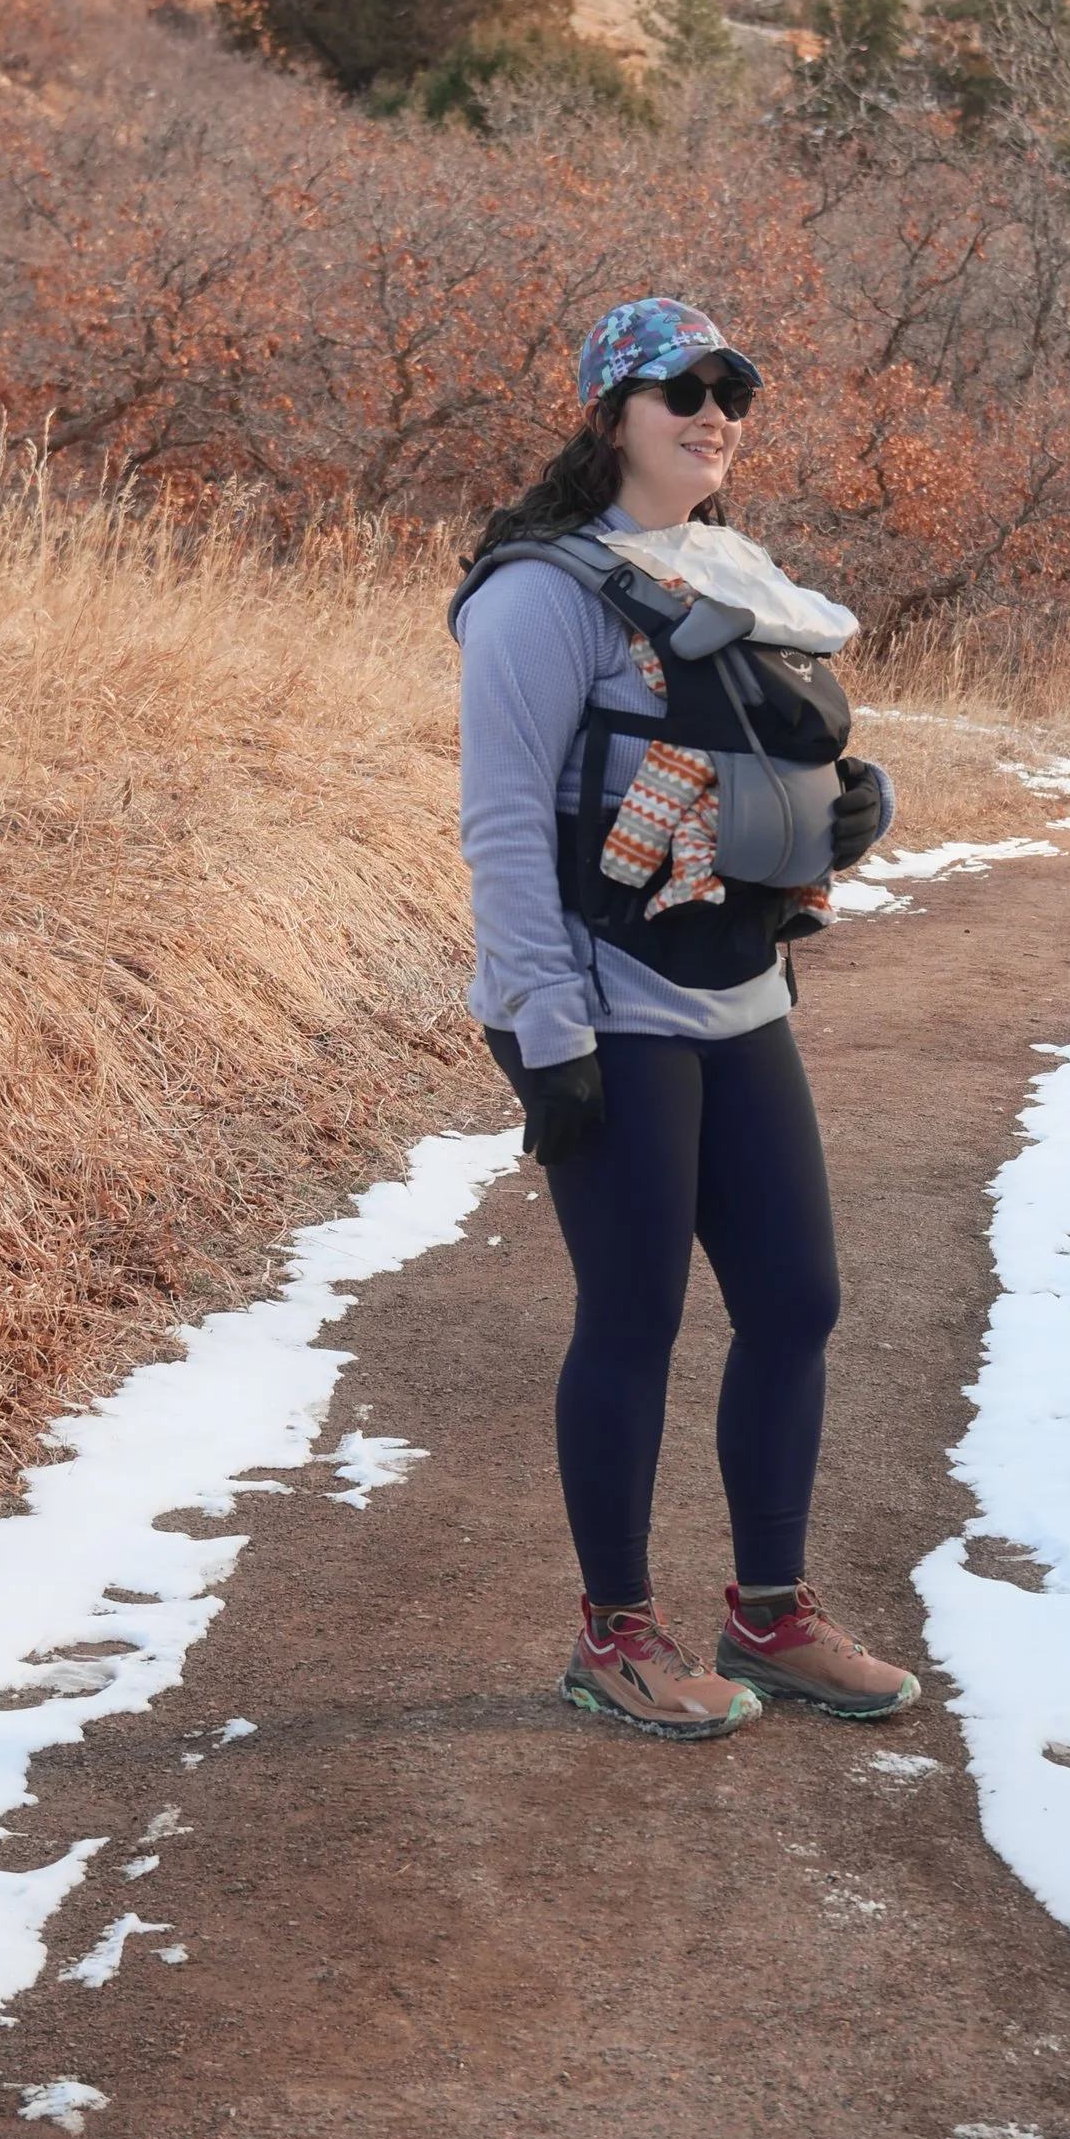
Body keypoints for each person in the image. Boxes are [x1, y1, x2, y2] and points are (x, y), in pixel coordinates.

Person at [450, 294, 921, 1741]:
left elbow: (753, 778)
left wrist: (849, 818)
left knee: (796, 1301)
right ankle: (615, 1636)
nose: (714, 411)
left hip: (736, 995)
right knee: (638, 1315)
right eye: (680, 389)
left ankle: (768, 1614)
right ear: (611, 413)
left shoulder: (730, 571)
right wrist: (550, 1033)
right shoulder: (543, 593)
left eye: (733, 390)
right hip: (605, 1009)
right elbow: (506, 826)